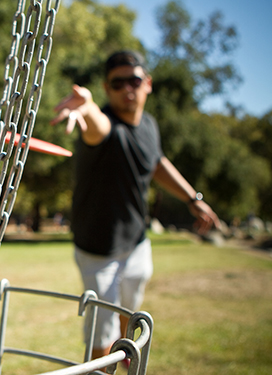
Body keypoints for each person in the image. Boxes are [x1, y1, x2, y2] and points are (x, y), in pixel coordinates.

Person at [50, 51, 220, 364]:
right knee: (101, 334)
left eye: (135, 80)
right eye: (118, 83)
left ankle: (125, 359)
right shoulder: (104, 126)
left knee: (131, 317)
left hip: (136, 243)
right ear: (107, 88)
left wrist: (193, 199)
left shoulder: (149, 126)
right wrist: (86, 108)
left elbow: (156, 163)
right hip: (98, 251)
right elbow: (95, 126)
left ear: (148, 84)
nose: (128, 88)